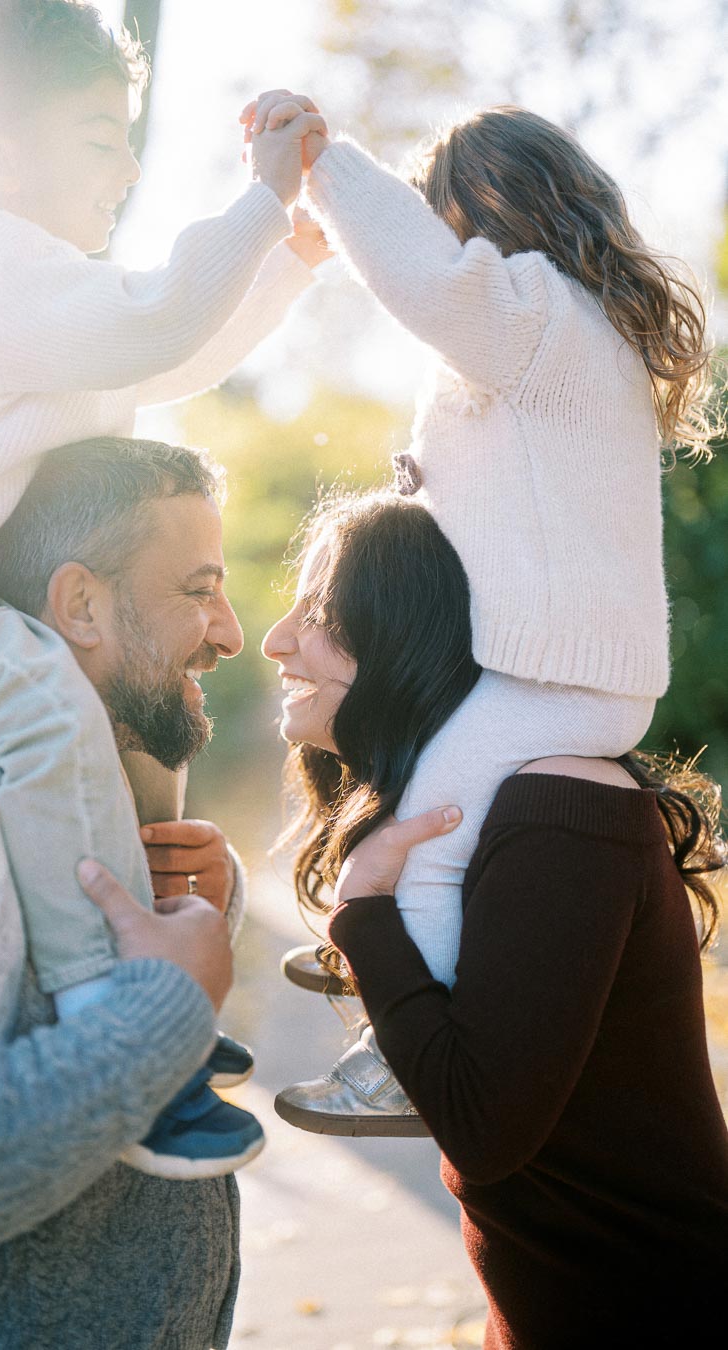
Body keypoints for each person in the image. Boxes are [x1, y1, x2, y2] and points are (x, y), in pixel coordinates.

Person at [0, 1, 328, 1178]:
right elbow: (154, 320)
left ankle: (150, 968)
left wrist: (286, 265)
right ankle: (111, 1019)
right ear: (3, 152)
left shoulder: (50, 286)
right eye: (100, 137)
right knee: (45, 697)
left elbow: (170, 348)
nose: (129, 164)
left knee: (134, 719)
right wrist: (258, 200)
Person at [243, 92, 720, 1122]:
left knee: (433, 820)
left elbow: (421, 282)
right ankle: (409, 954)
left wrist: (327, 164)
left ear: (486, 210)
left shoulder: (540, 314)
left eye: (439, 213)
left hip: (560, 679)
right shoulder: (556, 336)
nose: (432, 238)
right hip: (555, 671)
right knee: (426, 799)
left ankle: (401, 1040)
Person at [261, 488, 728, 1346]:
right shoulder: (509, 808)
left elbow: (483, 1127)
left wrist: (365, 915)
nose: (275, 640)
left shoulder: (559, 808)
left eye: (320, 612)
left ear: (413, 631)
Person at [0, 435, 259, 1349]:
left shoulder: (68, 781)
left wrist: (196, 911)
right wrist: (165, 1010)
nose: (231, 632)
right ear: (81, 604)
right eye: (198, 590)